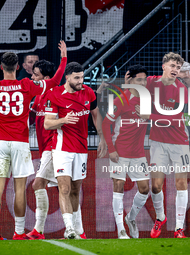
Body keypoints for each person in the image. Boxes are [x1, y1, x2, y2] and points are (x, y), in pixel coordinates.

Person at [0, 35, 67, 240]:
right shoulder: (27, 85)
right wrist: (63, 59)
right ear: (18, 67)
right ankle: (18, 232)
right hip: (20, 143)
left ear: (1, 67)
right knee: (19, 189)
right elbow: (54, 81)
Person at [44, 62, 106, 239]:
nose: (81, 81)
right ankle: (69, 228)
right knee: (64, 188)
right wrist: (63, 120)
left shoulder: (88, 92)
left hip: (81, 148)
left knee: (75, 190)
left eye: (82, 77)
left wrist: (102, 137)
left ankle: (79, 231)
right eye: (77, 78)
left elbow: (95, 114)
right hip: (62, 148)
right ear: (67, 77)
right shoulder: (54, 94)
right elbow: (48, 123)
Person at [136, 52, 190, 238]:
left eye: (178, 67)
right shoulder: (151, 82)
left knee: (181, 183)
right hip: (158, 142)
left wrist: (148, 116)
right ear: (163, 66)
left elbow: (174, 118)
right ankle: (161, 218)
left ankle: (179, 229)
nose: (175, 70)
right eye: (173, 66)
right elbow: (135, 87)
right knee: (156, 186)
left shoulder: (181, 89)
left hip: (179, 142)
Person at [102, 65, 150, 239]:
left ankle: (131, 218)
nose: (143, 83)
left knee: (145, 189)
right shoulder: (120, 101)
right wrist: (111, 149)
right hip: (119, 152)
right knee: (118, 186)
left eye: (144, 79)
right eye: (139, 79)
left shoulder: (148, 99)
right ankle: (120, 229)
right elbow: (106, 124)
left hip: (138, 153)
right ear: (130, 80)